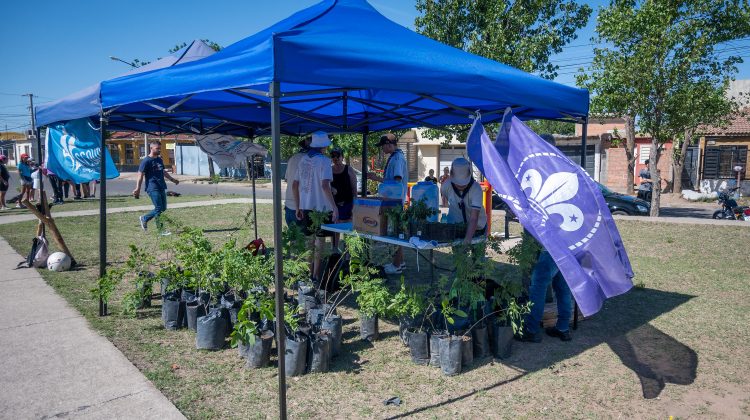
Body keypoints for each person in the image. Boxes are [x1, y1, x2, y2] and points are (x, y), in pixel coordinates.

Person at [293, 131, 338, 281]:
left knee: (309, 241)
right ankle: (316, 275)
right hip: (321, 208)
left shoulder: (303, 160)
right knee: (319, 242)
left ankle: (308, 273)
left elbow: (294, 185)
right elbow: (324, 185)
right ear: (324, 146)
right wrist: (335, 207)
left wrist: (298, 207)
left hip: (306, 206)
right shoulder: (324, 161)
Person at [367, 133, 408, 274]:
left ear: (389, 144)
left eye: (383, 146)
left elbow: (396, 181)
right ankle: (400, 262)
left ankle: (396, 265)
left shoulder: (397, 158)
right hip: (393, 201)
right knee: (397, 232)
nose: (382, 150)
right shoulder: (396, 157)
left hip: (394, 202)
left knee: (395, 233)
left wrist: (375, 178)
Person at [516, 248, 573, 343]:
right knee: (563, 289)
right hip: (568, 249)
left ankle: (531, 330)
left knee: (538, 289)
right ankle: (563, 328)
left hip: (550, 249)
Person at [133, 141, 179, 235]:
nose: (159, 150)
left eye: (159, 148)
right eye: (157, 148)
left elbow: (163, 171)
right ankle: (161, 230)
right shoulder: (146, 161)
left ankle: (144, 218)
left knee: (163, 208)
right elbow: (140, 175)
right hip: (152, 187)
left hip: (161, 186)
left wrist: (172, 179)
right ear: (151, 148)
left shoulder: (159, 159)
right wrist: (137, 188)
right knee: (158, 208)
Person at [441, 158, 487, 244]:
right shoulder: (445, 186)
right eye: (458, 183)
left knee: (477, 256)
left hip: (477, 228)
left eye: (463, 183)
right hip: (457, 227)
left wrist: (467, 240)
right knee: (458, 256)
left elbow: (474, 218)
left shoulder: (476, 189)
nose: (460, 185)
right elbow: (447, 200)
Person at [330, 147, 357, 249]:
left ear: (342, 157)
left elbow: (354, 189)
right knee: (335, 229)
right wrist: (331, 188)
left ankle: (348, 253)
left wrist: (355, 206)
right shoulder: (329, 170)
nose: (335, 158)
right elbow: (325, 186)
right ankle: (335, 250)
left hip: (348, 204)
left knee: (348, 230)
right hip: (335, 205)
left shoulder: (349, 169)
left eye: (338, 156)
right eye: (333, 156)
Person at [284, 137, 311, 227]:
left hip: (289, 206)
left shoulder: (292, 158)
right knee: (306, 239)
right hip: (301, 208)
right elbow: (296, 185)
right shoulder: (309, 160)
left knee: (293, 239)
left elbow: (288, 180)